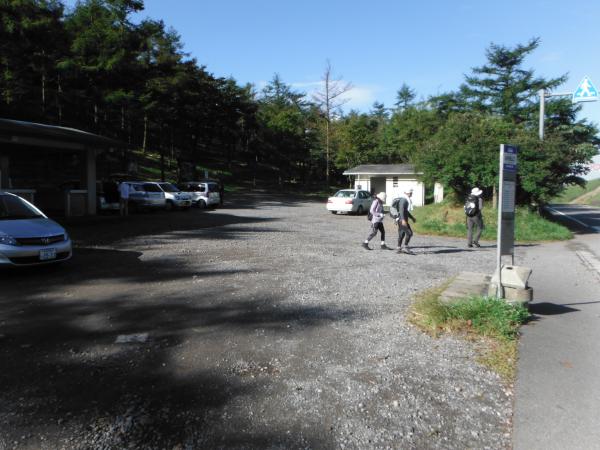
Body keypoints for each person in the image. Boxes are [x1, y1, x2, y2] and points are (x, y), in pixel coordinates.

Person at [392, 188, 417, 254]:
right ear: (406, 193)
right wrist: (403, 220)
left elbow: (406, 211)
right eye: (410, 192)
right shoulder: (404, 200)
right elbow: (401, 210)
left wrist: (412, 218)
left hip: (401, 219)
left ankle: (398, 248)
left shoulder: (404, 199)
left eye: (411, 192)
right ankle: (405, 247)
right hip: (402, 220)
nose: (411, 193)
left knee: (402, 233)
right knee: (409, 233)